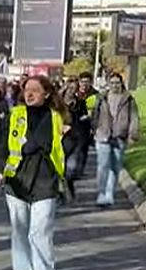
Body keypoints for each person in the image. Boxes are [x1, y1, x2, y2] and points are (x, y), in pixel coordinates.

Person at [0, 76, 68, 270]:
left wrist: (70, 139)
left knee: (41, 229)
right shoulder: (14, 115)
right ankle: (24, 267)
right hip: (17, 179)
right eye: (27, 90)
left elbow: (70, 143)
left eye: (35, 90)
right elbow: (0, 145)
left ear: (47, 94)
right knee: (20, 227)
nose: (30, 94)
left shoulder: (56, 117)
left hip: (45, 178)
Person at [93, 72, 141, 206]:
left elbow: (134, 118)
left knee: (115, 166)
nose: (114, 85)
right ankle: (101, 193)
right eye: (112, 83)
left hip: (120, 136)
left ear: (121, 83)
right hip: (103, 136)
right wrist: (95, 129)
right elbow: (95, 116)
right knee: (103, 165)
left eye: (117, 83)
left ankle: (109, 194)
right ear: (108, 84)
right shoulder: (102, 98)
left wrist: (133, 134)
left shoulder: (128, 99)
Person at [60, 77, 89, 200]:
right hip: (59, 140)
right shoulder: (58, 103)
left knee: (71, 170)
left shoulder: (81, 103)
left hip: (75, 140)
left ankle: (69, 188)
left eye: (74, 88)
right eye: (70, 88)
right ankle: (61, 193)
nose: (72, 91)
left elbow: (85, 120)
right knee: (59, 169)